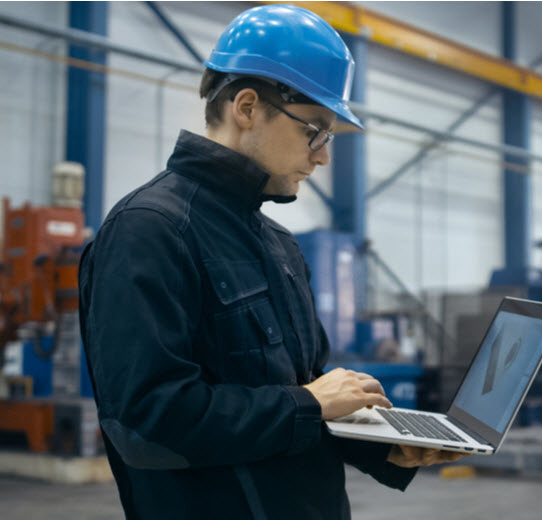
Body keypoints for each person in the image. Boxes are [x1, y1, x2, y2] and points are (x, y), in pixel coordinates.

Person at [78, 5, 462, 519]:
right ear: (247, 108)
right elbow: (147, 423)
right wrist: (311, 403)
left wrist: (383, 446)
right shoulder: (148, 230)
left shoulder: (278, 243)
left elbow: (302, 396)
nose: (323, 156)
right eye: (316, 131)